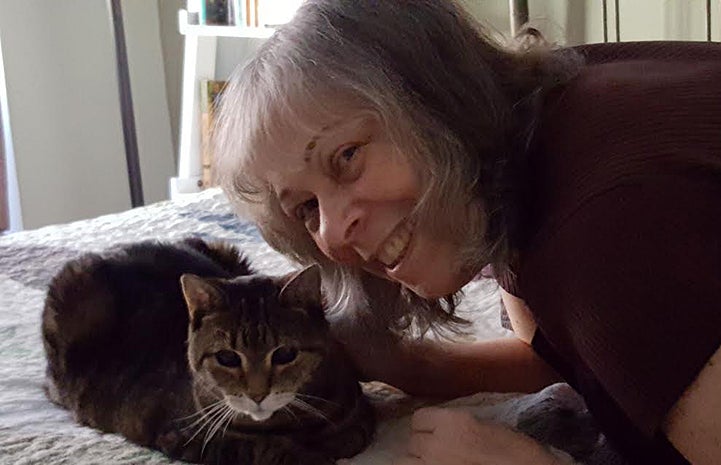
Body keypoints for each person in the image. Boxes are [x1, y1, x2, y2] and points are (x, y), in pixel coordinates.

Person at [212, 1, 721, 464]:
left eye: (347, 157)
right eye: (305, 207)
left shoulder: (604, 228)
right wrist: (409, 365)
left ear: (435, 99)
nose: (334, 229)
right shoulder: (529, 146)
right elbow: (558, 353)